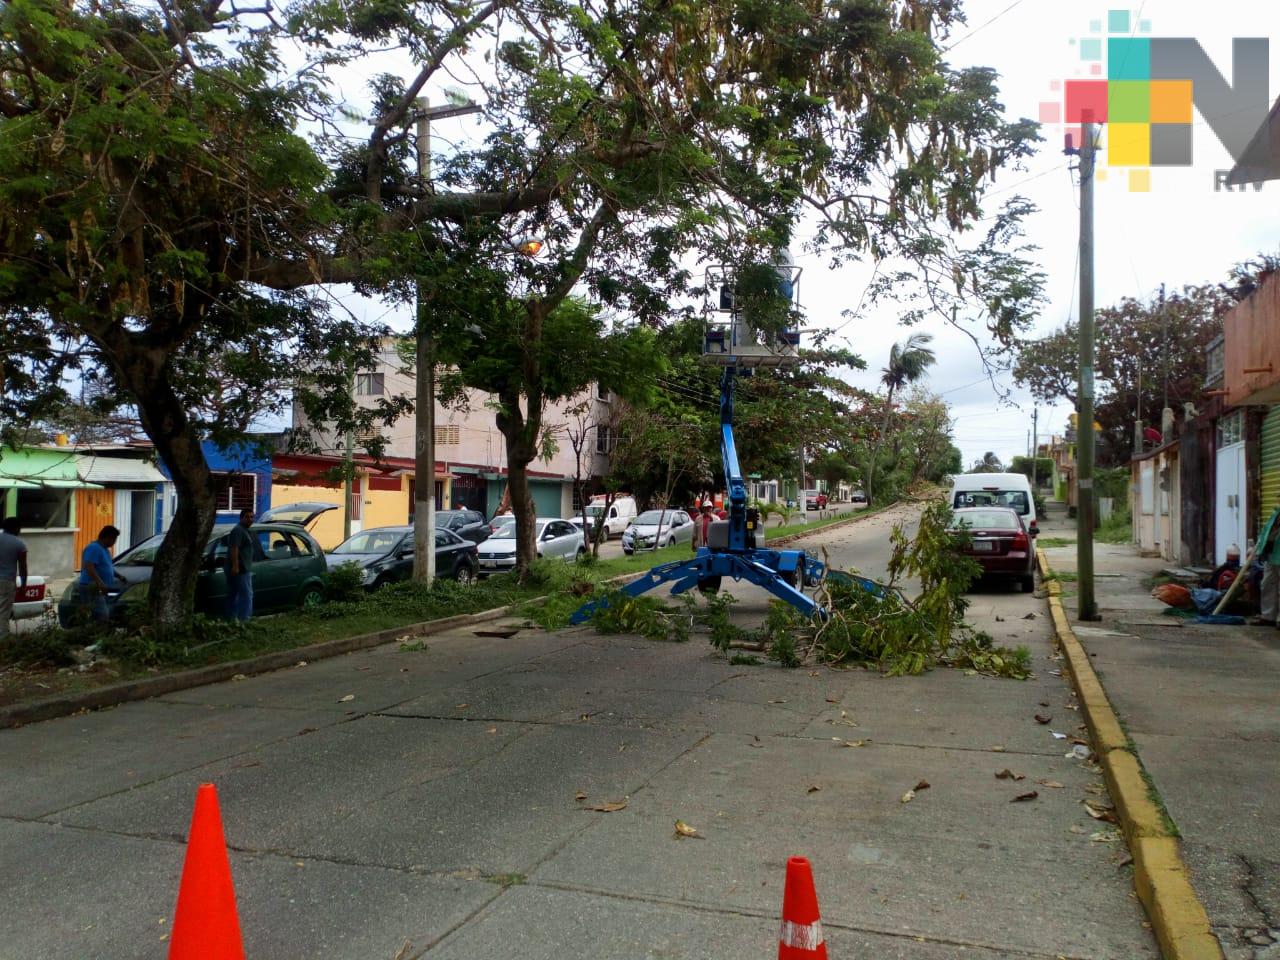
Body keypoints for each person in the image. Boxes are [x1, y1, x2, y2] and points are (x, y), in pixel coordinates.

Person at [77, 525, 120, 623]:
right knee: (102, 615)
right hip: (92, 586)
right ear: (107, 537)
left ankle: (95, 633)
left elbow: (108, 567)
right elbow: (89, 567)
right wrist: (100, 583)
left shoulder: (105, 550)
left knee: (98, 614)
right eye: (114, 539)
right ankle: (98, 635)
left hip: (100, 587)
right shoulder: (94, 548)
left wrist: (119, 576)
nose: (114, 542)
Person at [1251, 507, 1280, 627]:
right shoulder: (1275, 514)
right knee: (1267, 584)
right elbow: (1266, 532)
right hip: (1271, 554)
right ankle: (1268, 617)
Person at [226, 508, 256, 622]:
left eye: (252, 517)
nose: (250, 519)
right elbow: (234, 548)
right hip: (241, 568)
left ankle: (232, 618)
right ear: (241, 518)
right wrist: (235, 566)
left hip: (241, 567)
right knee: (247, 595)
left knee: (233, 594)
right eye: (247, 517)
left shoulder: (245, 530)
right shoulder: (238, 530)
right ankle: (245, 620)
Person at [0, 517, 28, 635]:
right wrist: (23, 585)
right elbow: (23, 567)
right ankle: (3, 640)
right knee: (3, 612)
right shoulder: (19, 544)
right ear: (16, 528)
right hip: (6, 581)